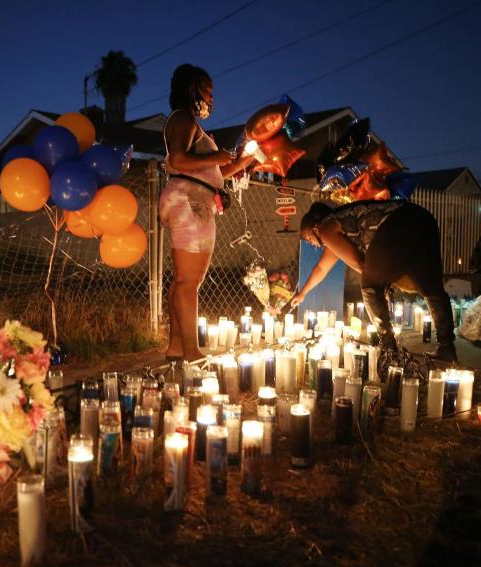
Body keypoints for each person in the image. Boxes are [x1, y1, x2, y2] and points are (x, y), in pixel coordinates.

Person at [160, 64, 255, 361]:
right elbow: (178, 159)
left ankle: (177, 347)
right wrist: (219, 154)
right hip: (191, 201)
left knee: (181, 280)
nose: (212, 99)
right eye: (208, 92)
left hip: (185, 198)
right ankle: (191, 352)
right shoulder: (184, 118)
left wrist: (240, 162)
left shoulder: (186, 122)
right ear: (193, 89)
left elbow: (211, 171)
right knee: (190, 282)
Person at [291, 200, 457, 361]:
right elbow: (321, 268)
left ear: (315, 229)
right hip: (421, 218)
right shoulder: (336, 224)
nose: (313, 245)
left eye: (308, 239)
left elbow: (360, 264)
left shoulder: (326, 229)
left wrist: (379, 282)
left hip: (396, 224)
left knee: (369, 286)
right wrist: (302, 293)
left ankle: (388, 348)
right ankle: (447, 348)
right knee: (432, 289)